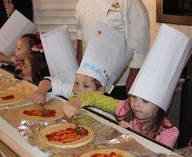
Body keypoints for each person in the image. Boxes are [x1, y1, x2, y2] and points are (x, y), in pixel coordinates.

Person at [63, 24, 192, 148]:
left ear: (159, 106)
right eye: (134, 97)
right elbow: (94, 98)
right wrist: (76, 102)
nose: (136, 104)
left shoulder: (169, 132)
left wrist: (134, 136)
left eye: (145, 101)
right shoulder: (125, 108)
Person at [32, 22, 133, 104]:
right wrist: (41, 90)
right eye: (76, 82)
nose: (78, 89)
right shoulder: (72, 91)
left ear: (100, 91)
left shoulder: (104, 111)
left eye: (85, 86)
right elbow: (50, 82)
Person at [75, 0, 150, 100]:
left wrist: (134, 76)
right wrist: (78, 67)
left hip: (119, 80)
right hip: (89, 80)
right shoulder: (83, 2)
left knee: (115, 113)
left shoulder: (131, 2)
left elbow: (140, 40)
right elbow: (80, 34)